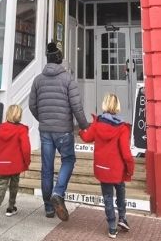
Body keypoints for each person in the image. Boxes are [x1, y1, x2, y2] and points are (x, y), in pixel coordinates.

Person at [29, 41, 89, 221]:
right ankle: (58, 192)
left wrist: (44, 119)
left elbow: (32, 105)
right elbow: (76, 106)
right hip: (63, 130)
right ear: (60, 60)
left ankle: (48, 208)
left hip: (45, 130)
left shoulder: (38, 79)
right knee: (68, 160)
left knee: (46, 168)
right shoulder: (68, 79)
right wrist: (85, 126)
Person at [79, 93, 135, 238]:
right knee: (121, 193)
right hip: (117, 170)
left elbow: (86, 137)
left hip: (102, 169)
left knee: (107, 197)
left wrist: (81, 130)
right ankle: (122, 217)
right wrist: (130, 169)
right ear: (117, 106)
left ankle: (111, 227)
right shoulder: (122, 128)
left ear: (104, 105)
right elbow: (126, 153)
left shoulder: (97, 123)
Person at [0, 104, 31, 227]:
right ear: (19, 115)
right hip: (15, 163)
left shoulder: (2, 127)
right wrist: (27, 161)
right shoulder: (21, 129)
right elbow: (26, 148)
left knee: (2, 185)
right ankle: (10, 207)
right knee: (14, 184)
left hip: (3, 162)